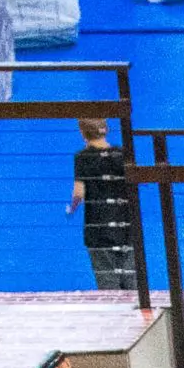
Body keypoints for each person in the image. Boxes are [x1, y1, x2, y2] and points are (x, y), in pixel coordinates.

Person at [66, 118, 137, 291]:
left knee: (107, 280)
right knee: (130, 280)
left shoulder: (82, 158)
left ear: (83, 134)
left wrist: (71, 208)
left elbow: (78, 192)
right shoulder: (123, 153)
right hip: (126, 225)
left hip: (98, 227)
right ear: (106, 130)